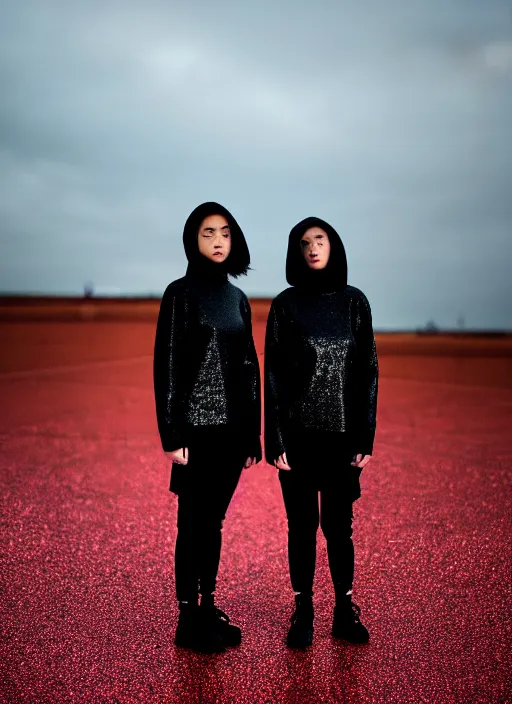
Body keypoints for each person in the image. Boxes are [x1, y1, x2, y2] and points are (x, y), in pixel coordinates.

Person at [264, 217, 378, 648]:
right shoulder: (285, 305)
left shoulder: (355, 303)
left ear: (334, 246)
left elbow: (368, 370)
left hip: (343, 439)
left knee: (339, 527)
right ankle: (303, 611)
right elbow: (272, 374)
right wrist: (274, 439)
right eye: (304, 243)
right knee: (300, 527)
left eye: (320, 240)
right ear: (295, 252)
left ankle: (344, 611)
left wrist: (365, 435)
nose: (312, 248)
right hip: (297, 440)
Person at [153, 202, 261, 653]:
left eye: (225, 233)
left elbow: (249, 366)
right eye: (207, 233)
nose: (217, 241)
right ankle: (186, 617)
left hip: (232, 434)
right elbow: (168, 365)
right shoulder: (179, 293)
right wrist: (172, 434)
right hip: (195, 433)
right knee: (191, 524)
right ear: (191, 241)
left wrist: (253, 431)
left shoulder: (237, 299)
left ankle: (208, 605)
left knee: (213, 523)